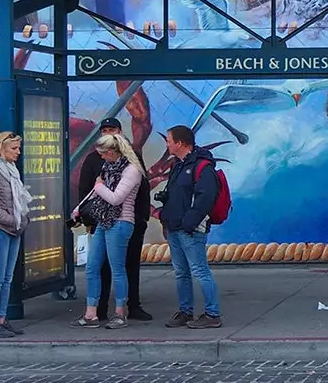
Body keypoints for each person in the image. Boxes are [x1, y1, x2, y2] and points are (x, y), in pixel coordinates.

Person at [75, 116, 152, 320]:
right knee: (94, 267)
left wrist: (142, 218)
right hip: (102, 220)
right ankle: (94, 311)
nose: (108, 133)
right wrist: (83, 214)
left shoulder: (131, 165)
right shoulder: (101, 163)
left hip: (122, 221)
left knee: (122, 267)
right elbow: (87, 192)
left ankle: (124, 309)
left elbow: (123, 196)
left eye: (112, 130)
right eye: (105, 130)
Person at [158, 124, 223, 329]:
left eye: (169, 140)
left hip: (190, 230)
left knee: (199, 270)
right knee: (181, 272)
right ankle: (185, 311)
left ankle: (213, 314)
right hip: (174, 227)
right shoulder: (177, 165)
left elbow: (206, 198)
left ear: (180, 143)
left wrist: (189, 223)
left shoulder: (202, 166)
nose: (167, 144)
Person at [0, 131, 33, 339]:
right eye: (14, 148)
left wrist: (21, 220)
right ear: (0, 148)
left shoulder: (11, 170)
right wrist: (11, 220)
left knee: (7, 279)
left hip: (13, 230)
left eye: (19, 148)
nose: (18, 152)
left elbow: (19, 201)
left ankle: (1, 319)